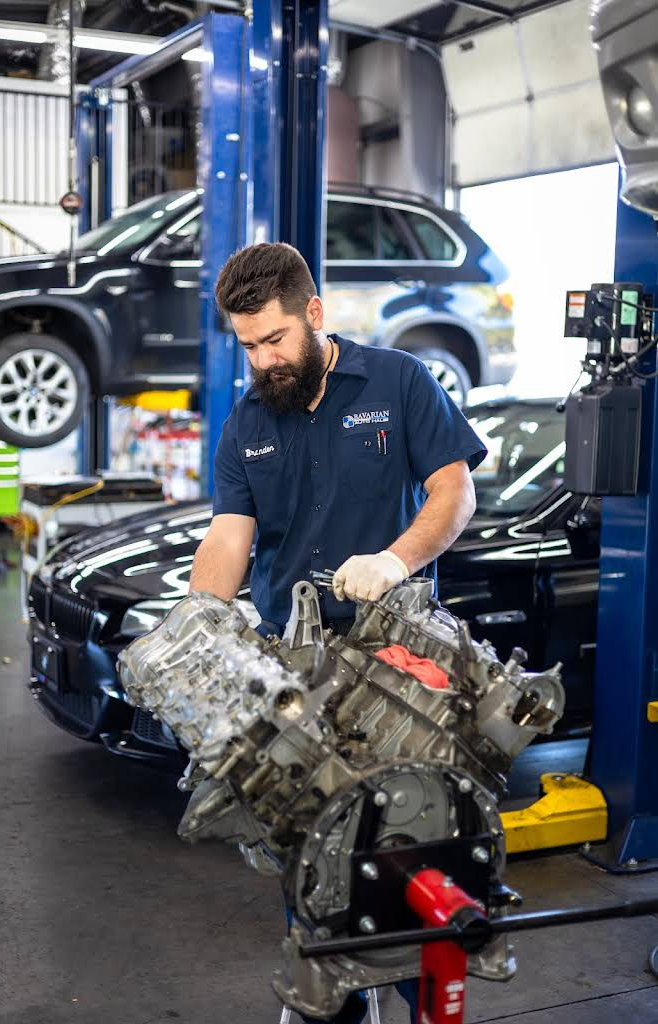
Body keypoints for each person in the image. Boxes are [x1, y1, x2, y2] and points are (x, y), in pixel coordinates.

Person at [189, 242, 487, 1024]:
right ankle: (331, 1000)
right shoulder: (249, 419)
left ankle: (421, 998)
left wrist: (394, 560)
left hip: (399, 664)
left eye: (274, 339)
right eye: (247, 345)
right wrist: (197, 629)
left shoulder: (396, 382)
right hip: (301, 671)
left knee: (410, 852)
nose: (262, 360)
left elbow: (454, 491)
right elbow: (228, 537)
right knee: (314, 856)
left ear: (313, 314)